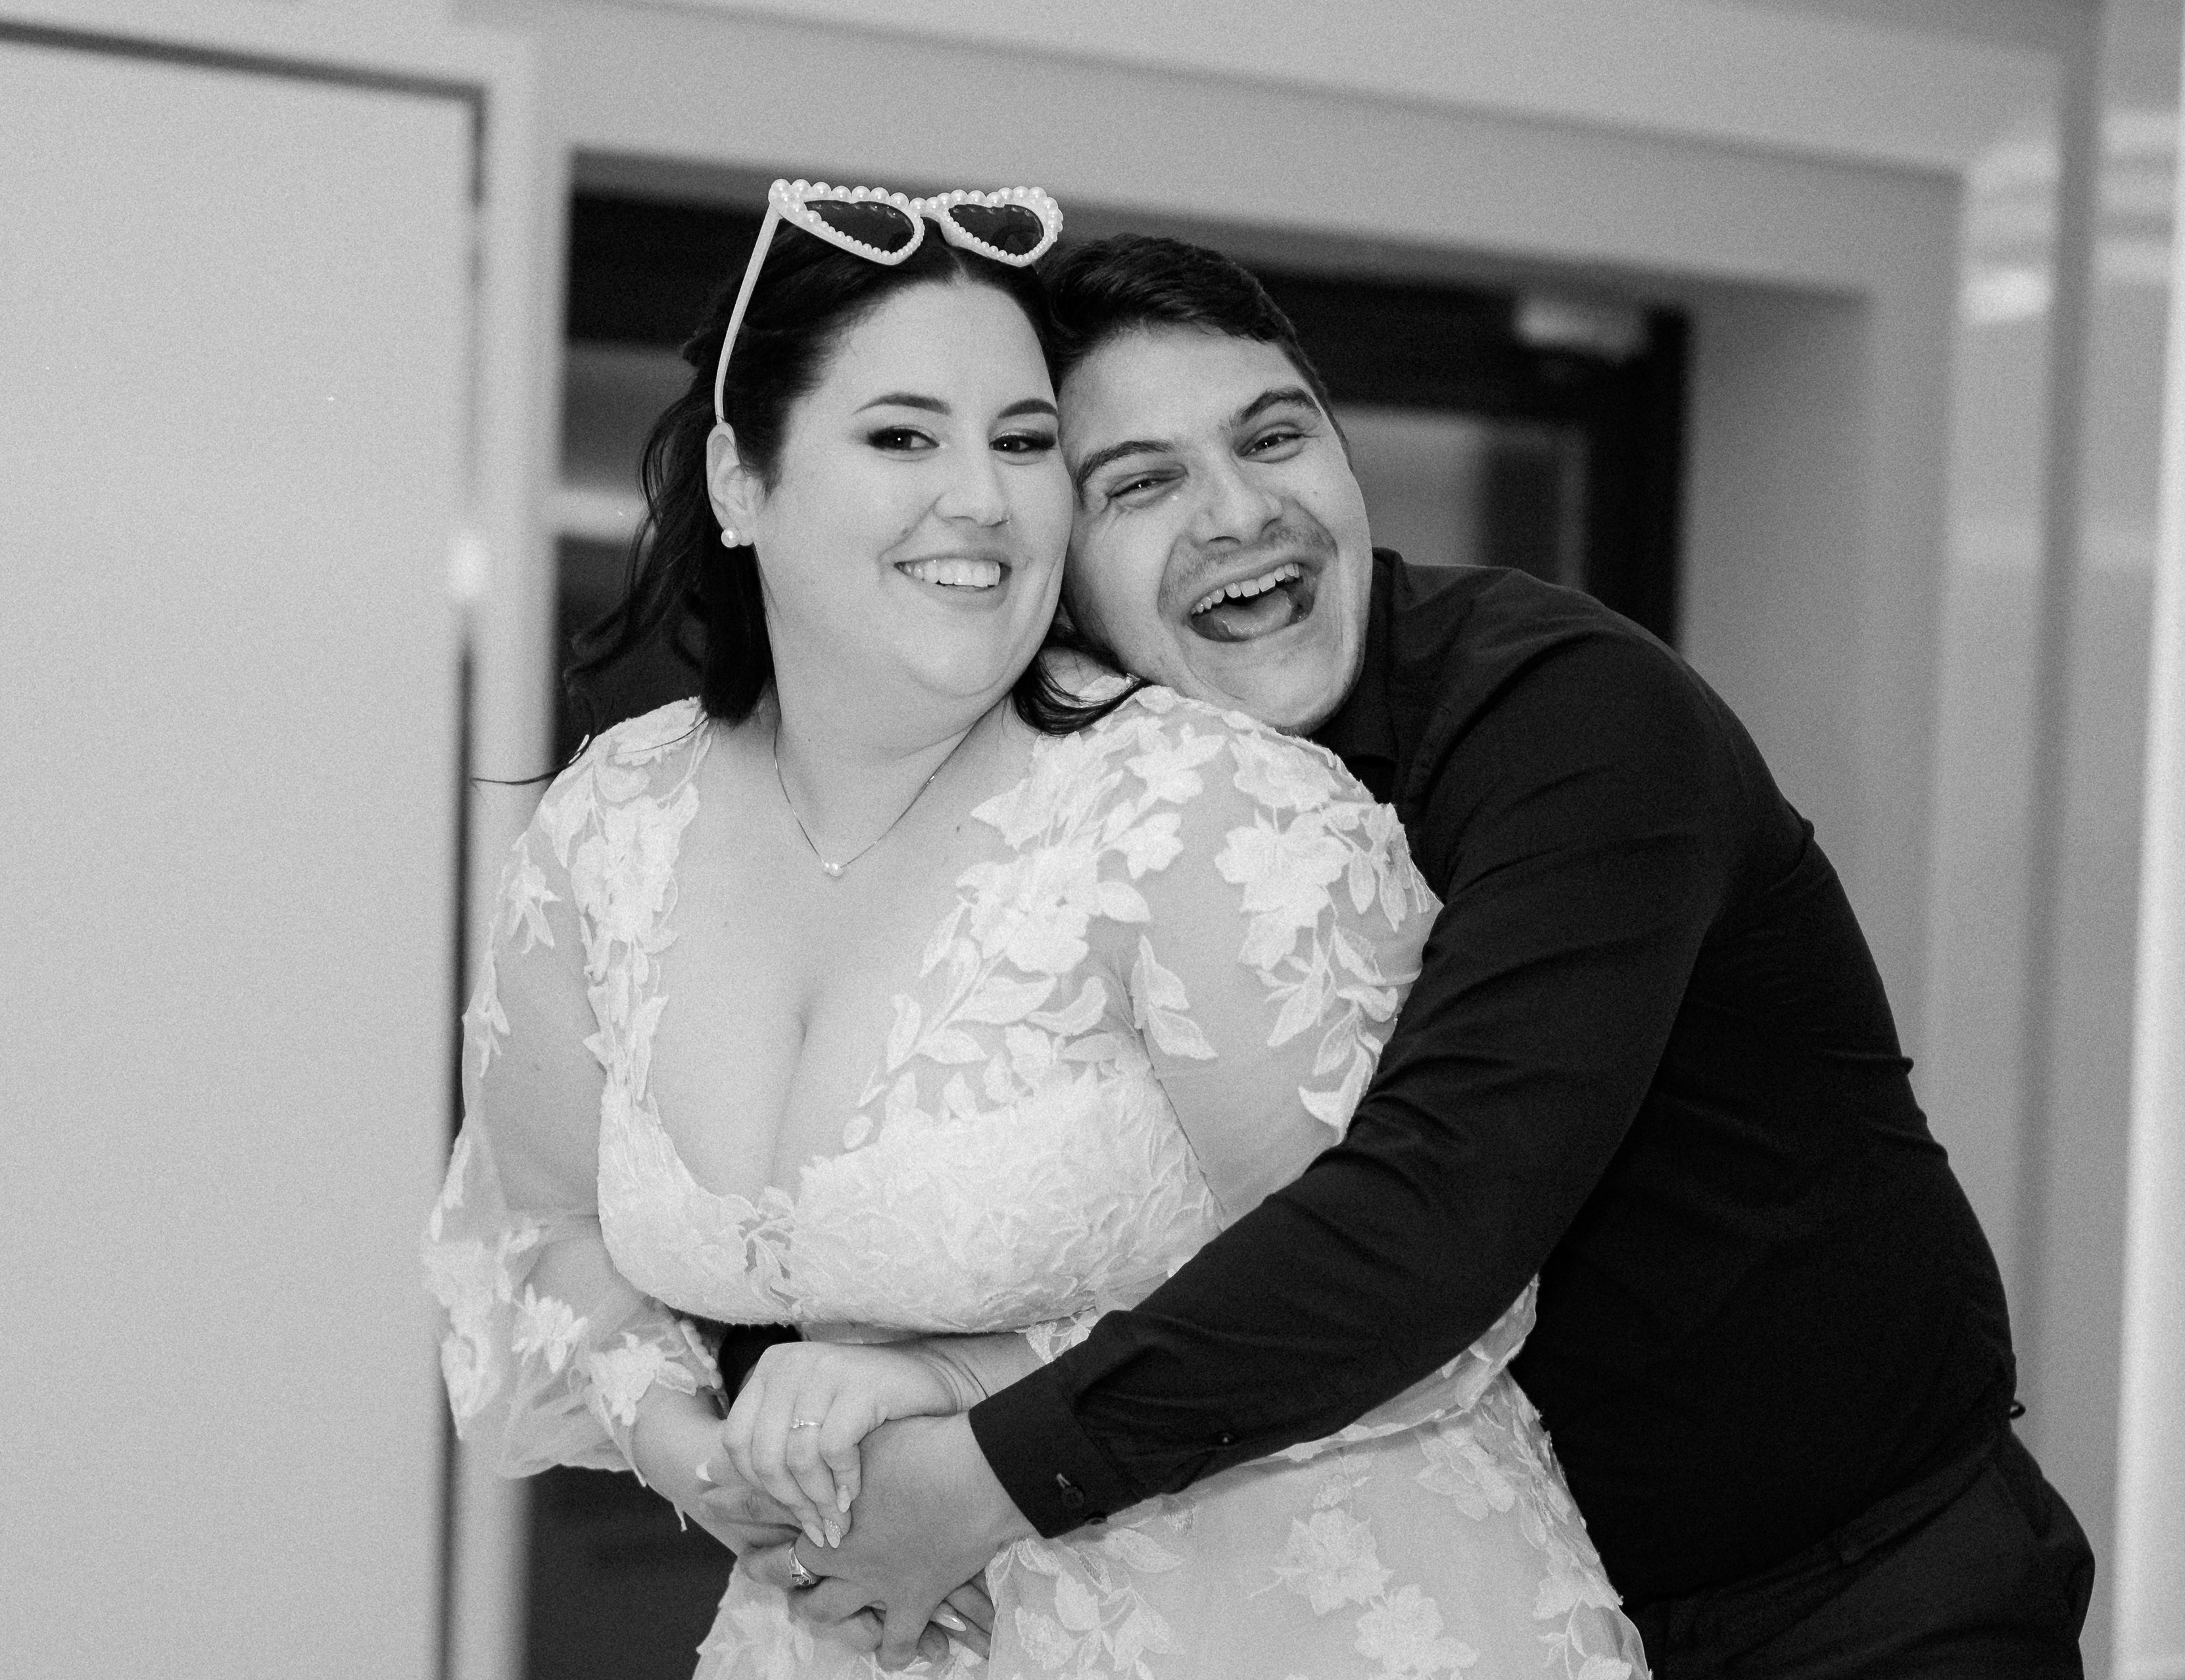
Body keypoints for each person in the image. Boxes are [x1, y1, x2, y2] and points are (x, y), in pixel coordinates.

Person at [768, 235, 2096, 1679]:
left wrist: (986, 1480)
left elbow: (1446, 1203)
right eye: (1139, 485)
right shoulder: (1053, 811)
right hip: (1491, 1613)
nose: (1240, 511)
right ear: (1058, 581)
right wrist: (824, 1404)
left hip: (1861, 1594)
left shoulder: (1576, 716)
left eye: (1275, 437)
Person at [424, 183, 1646, 1678]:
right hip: (840, 1621)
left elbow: (1422, 1301)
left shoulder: (1203, 810)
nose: (983, 499)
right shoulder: (615, 827)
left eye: (1021, 443)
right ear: (741, 481)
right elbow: (546, 1231)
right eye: (902, 438)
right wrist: (704, 1453)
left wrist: (955, 1381)